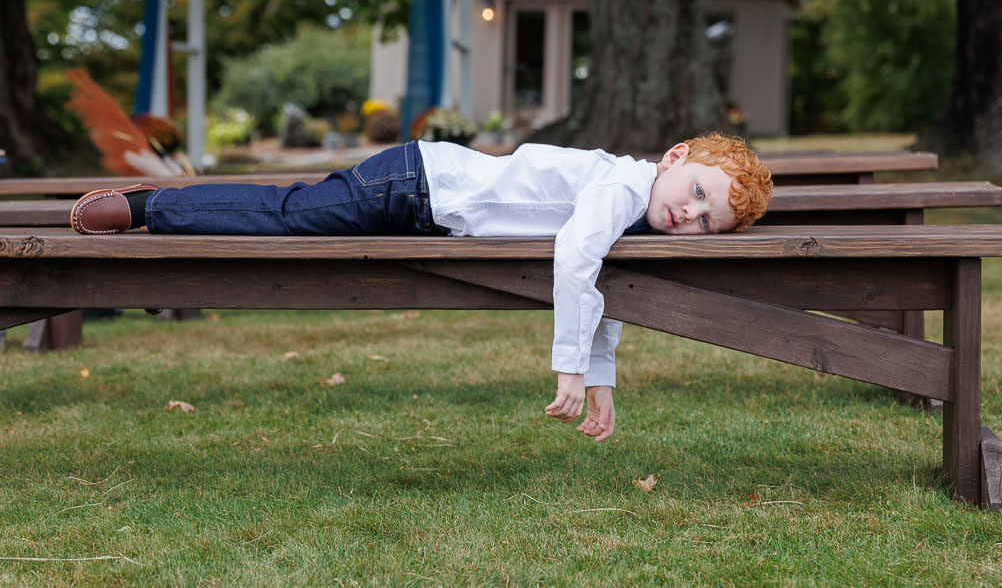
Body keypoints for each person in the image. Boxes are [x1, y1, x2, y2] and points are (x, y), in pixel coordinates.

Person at [70, 132, 773, 443]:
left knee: (294, 214)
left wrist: (601, 379)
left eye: (706, 222)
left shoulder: (640, 215)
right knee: (290, 216)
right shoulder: (625, 181)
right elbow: (577, 254)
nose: (691, 214)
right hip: (414, 183)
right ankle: (147, 206)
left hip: (426, 201)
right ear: (675, 158)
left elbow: (606, 289)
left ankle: (156, 206)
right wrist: (568, 363)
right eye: (697, 192)